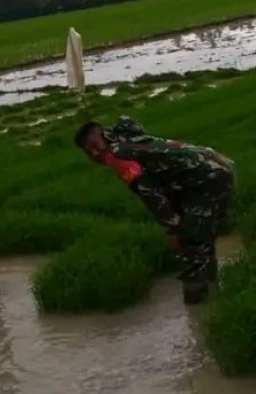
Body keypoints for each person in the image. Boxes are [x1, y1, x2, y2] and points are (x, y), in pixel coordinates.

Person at [73, 115, 236, 305]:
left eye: (95, 145)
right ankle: (213, 294)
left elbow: (148, 192)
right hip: (215, 166)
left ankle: (197, 310)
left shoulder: (116, 154)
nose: (94, 154)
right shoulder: (128, 137)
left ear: (103, 135)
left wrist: (174, 229)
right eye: (88, 152)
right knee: (201, 236)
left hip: (205, 179)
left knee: (190, 243)